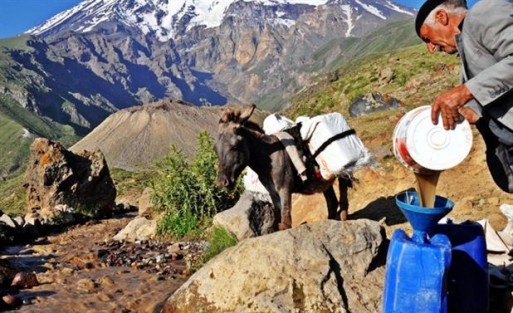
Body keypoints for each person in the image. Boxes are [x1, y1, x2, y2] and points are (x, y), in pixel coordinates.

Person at [415, 0, 513, 192]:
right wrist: (472, 113)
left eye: (427, 38)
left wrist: (464, 92)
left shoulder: (485, 12)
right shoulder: (467, 49)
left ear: (441, 17)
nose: (431, 48)